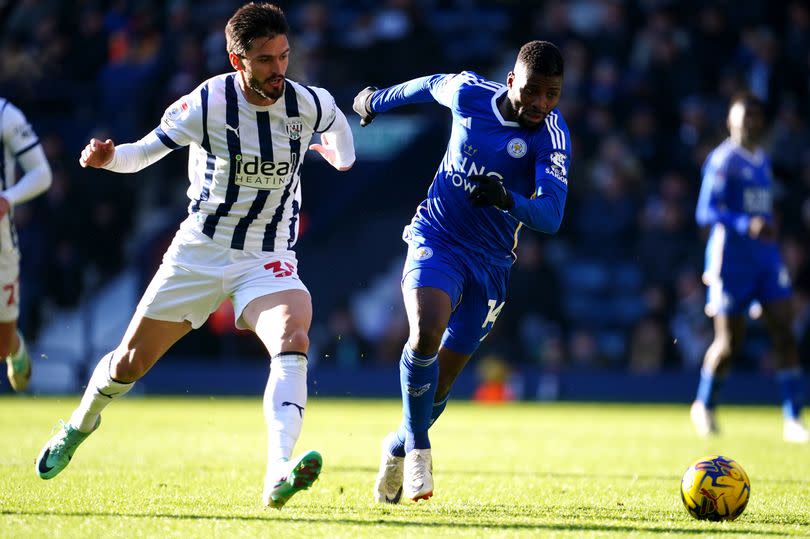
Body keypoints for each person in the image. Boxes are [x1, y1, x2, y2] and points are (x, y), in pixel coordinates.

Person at [35, 2, 356, 508]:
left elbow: (341, 131)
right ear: (237, 60)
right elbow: (142, 152)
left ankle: (277, 473)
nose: (279, 70)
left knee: (293, 336)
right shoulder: (206, 103)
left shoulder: (307, 103)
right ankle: (78, 425)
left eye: (284, 56)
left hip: (266, 255)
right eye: (267, 60)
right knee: (128, 363)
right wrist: (106, 158)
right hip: (198, 254)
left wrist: (338, 158)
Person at [353, 40, 570, 502]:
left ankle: (397, 445)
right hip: (438, 238)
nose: (541, 104)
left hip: (491, 265)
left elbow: (551, 216)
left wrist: (507, 199)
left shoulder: (551, 135)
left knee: (440, 388)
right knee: (426, 330)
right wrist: (375, 100)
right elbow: (429, 85)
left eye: (552, 94)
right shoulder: (470, 93)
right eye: (533, 91)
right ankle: (419, 455)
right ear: (512, 80)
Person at [690, 91, 808, 444]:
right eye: (743, 119)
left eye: (755, 119)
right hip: (731, 263)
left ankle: (792, 417)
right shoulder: (722, 160)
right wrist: (746, 224)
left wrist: (770, 227)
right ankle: (704, 404)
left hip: (766, 260)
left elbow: (762, 208)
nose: (749, 125)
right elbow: (705, 212)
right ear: (730, 121)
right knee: (729, 343)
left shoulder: (763, 160)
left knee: (785, 332)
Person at [0, 97, 53, 392]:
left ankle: (15, 347)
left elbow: (42, 174)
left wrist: (8, 198)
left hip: (1, 241)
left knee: (2, 342)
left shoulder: (5, 114)